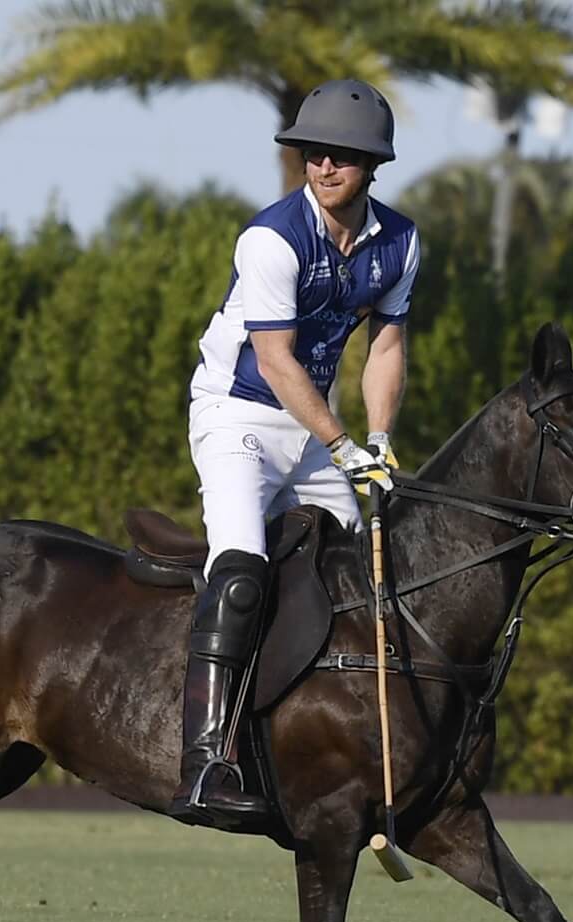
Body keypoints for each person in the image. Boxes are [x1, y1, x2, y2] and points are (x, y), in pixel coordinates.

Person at [169, 78, 421, 822]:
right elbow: (275, 361)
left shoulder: (400, 243)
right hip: (238, 415)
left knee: (362, 573)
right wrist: (343, 446)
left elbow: (386, 346)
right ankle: (205, 764)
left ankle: (345, 750)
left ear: (373, 164)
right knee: (242, 568)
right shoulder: (273, 237)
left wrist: (378, 441)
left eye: (342, 155)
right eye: (314, 152)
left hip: (317, 429)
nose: (324, 166)